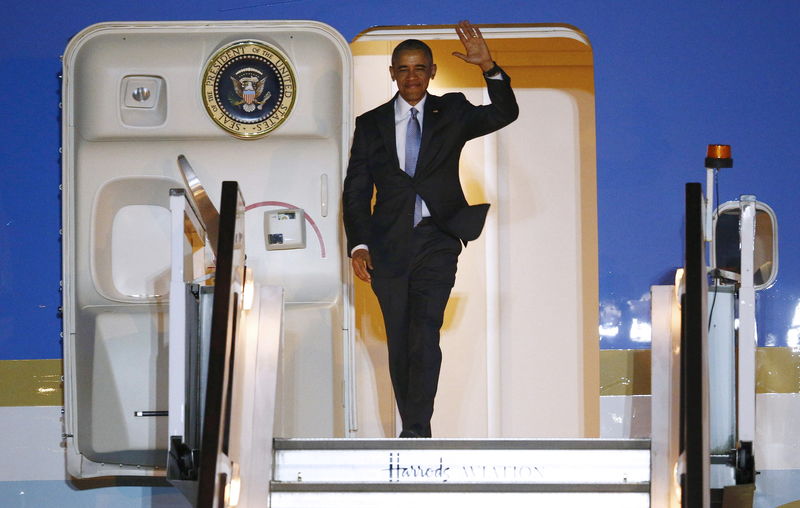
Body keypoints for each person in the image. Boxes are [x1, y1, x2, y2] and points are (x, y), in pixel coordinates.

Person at [342, 20, 518, 438]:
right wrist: (359, 244)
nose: (412, 76)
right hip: (387, 247)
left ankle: (417, 430)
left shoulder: (452, 111)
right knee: (401, 341)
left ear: (432, 72)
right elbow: (356, 191)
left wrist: (489, 68)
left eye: (420, 68)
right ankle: (413, 425)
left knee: (424, 332)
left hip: (437, 238)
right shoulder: (370, 124)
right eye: (403, 68)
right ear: (392, 74)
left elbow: (504, 112)